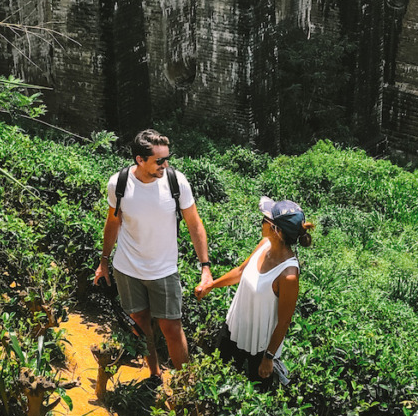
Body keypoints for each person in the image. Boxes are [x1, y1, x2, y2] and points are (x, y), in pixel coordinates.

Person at [94, 129, 213, 379]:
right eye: (159, 160)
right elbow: (113, 223)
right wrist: (103, 262)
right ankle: (155, 374)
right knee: (141, 322)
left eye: (167, 158)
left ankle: (185, 387)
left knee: (172, 327)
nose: (165, 164)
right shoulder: (119, 183)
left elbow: (194, 224)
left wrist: (205, 266)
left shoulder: (175, 181)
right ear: (140, 159)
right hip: (127, 268)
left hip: (164, 270)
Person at [195, 196, 314, 388]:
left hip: (259, 347)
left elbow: (284, 321)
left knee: (253, 396)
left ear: (276, 230)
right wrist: (211, 285)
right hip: (233, 328)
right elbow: (241, 272)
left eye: (265, 220)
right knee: (213, 380)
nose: (261, 222)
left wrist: (268, 357)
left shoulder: (288, 275)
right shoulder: (264, 244)